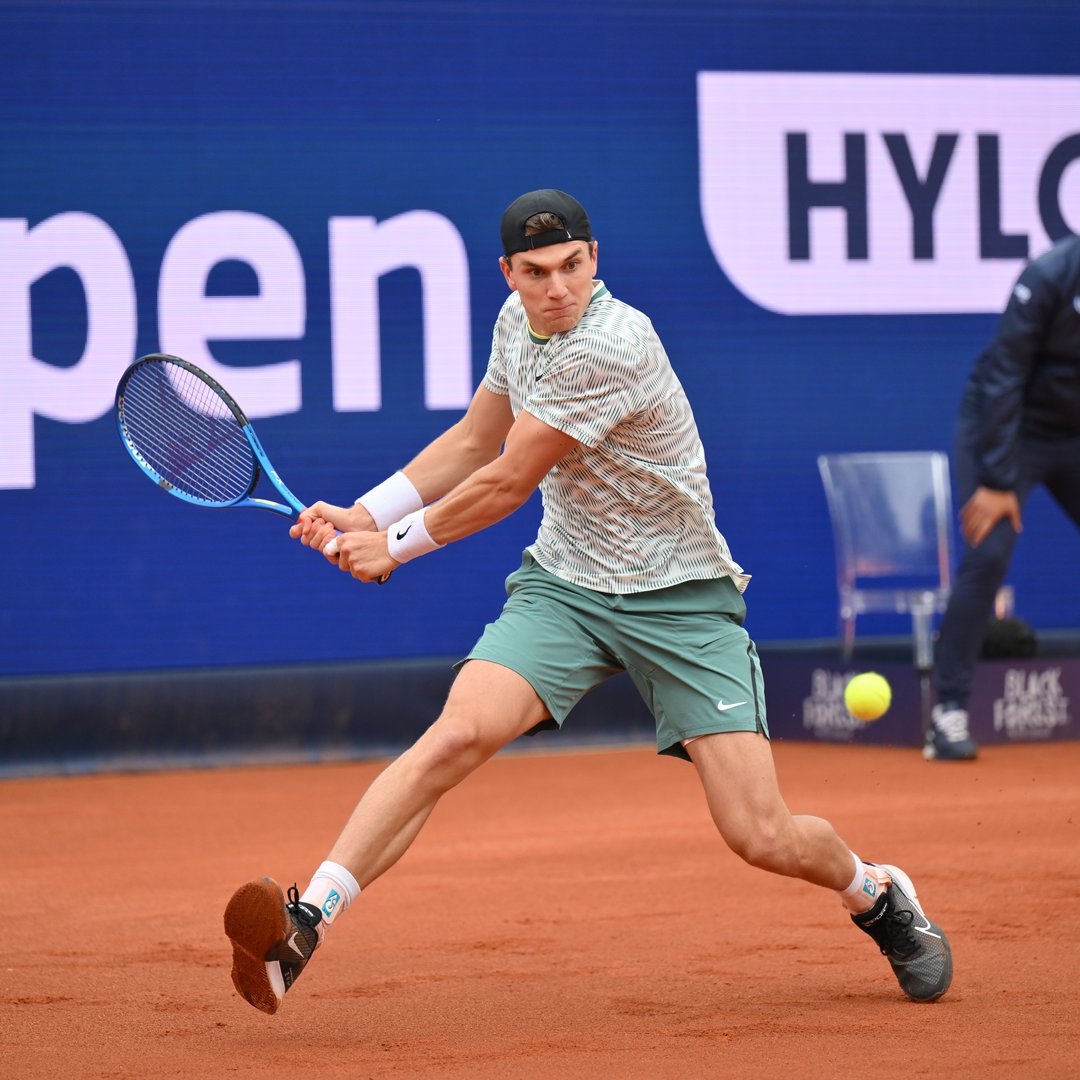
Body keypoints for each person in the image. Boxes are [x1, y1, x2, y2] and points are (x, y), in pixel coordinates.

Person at [223, 189, 953, 1011]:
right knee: (455, 736)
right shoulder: (515, 324)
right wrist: (364, 512)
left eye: (572, 265)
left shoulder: (611, 343)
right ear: (508, 274)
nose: (556, 287)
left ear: (594, 258)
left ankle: (877, 894)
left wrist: (391, 547)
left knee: (761, 835)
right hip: (567, 587)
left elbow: (507, 477)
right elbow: (471, 440)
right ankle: (308, 920)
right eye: (535, 272)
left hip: (680, 599)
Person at [927, 233, 1080, 761]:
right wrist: (997, 479)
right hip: (1008, 430)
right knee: (989, 552)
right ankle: (947, 711)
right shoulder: (1048, 276)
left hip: (1075, 433)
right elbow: (1005, 376)